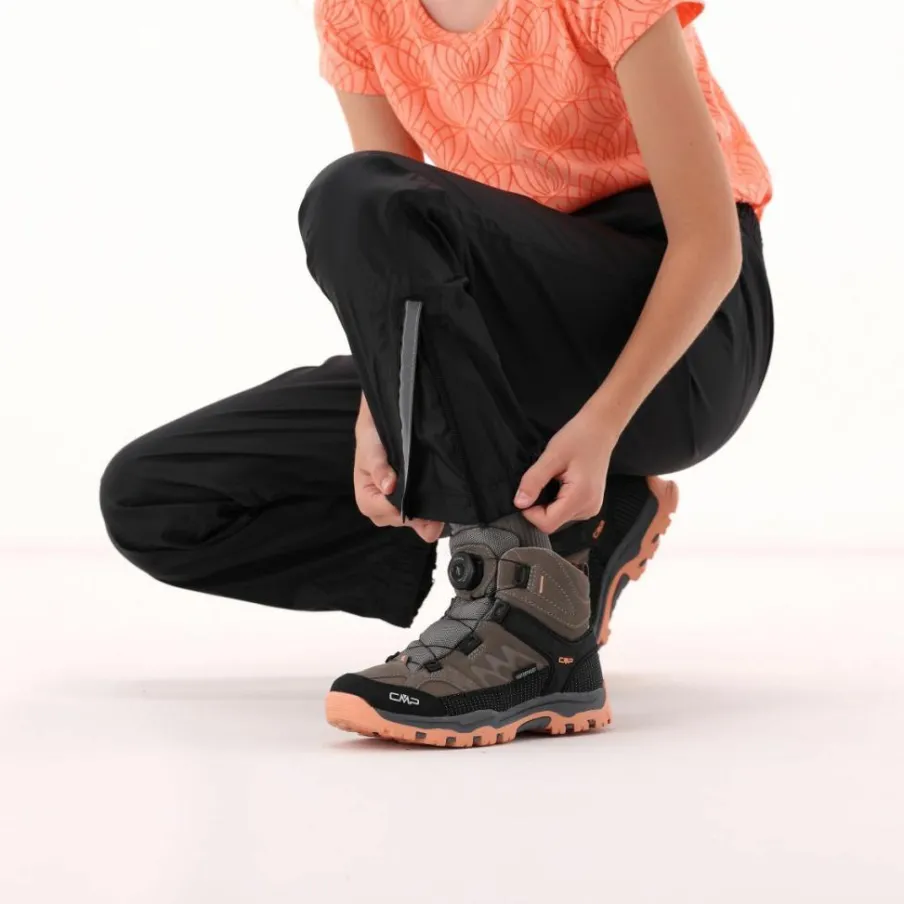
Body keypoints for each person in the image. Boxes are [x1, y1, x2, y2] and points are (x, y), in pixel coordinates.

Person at [100, 0, 773, 748]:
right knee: (156, 500)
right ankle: (559, 544)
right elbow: (386, 264)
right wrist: (384, 407)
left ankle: (533, 629)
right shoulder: (357, 8)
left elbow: (709, 243)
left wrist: (604, 422)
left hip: (680, 343)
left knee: (354, 191)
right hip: (492, 335)